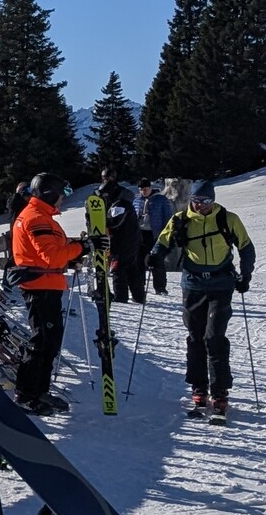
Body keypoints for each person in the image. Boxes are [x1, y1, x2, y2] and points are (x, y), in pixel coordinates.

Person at [153, 179, 255, 420]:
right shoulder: (180, 220)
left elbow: (246, 247)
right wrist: (155, 256)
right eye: (196, 200)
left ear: (213, 200)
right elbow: (162, 242)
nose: (201, 205)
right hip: (193, 285)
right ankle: (199, 388)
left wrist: (245, 275)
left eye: (206, 201)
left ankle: (219, 393)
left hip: (221, 284)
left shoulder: (228, 219)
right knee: (195, 337)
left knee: (214, 337)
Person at [10, 172, 85, 413]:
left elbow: (48, 255)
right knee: (41, 342)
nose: (63, 199)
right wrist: (81, 247)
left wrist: (72, 256)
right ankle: (26, 394)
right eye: (61, 194)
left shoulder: (40, 215)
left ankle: (39, 391)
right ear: (50, 194)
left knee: (49, 342)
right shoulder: (36, 218)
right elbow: (51, 256)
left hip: (46, 284)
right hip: (40, 288)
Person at [97, 169, 143, 304]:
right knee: (131, 268)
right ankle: (138, 296)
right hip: (127, 239)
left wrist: (102, 222)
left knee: (118, 268)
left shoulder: (120, 203)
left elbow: (115, 222)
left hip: (124, 241)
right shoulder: (119, 200)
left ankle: (121, 296)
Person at [139, 179, 173, 297]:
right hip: (140, 234)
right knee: (139, 261)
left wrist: (167, 234)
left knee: (157, 260)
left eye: (145, 189)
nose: (143, 192)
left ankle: (160, 287)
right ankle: (139, 286)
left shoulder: (161, 200)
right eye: (141, 190)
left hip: (156, 234)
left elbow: (168, 218)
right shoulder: (137, 200)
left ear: (150, 188)